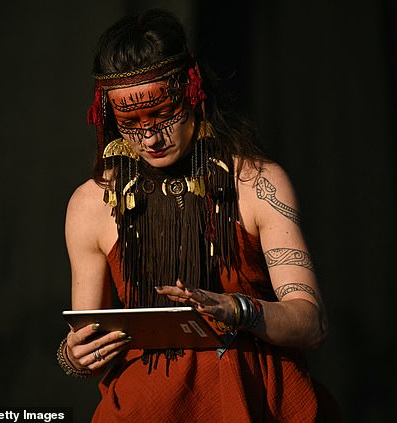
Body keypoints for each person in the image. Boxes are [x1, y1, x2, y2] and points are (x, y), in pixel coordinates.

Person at [57, 8, 340, 422]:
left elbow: (311, 324)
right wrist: (73, 355)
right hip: (144, 409)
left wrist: (236, 310)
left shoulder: (256, 183)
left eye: (161, 114)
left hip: (255, 404)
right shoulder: (90, 204)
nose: (150, 137)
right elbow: (90, 344)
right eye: (130, 121)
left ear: (193, 92)